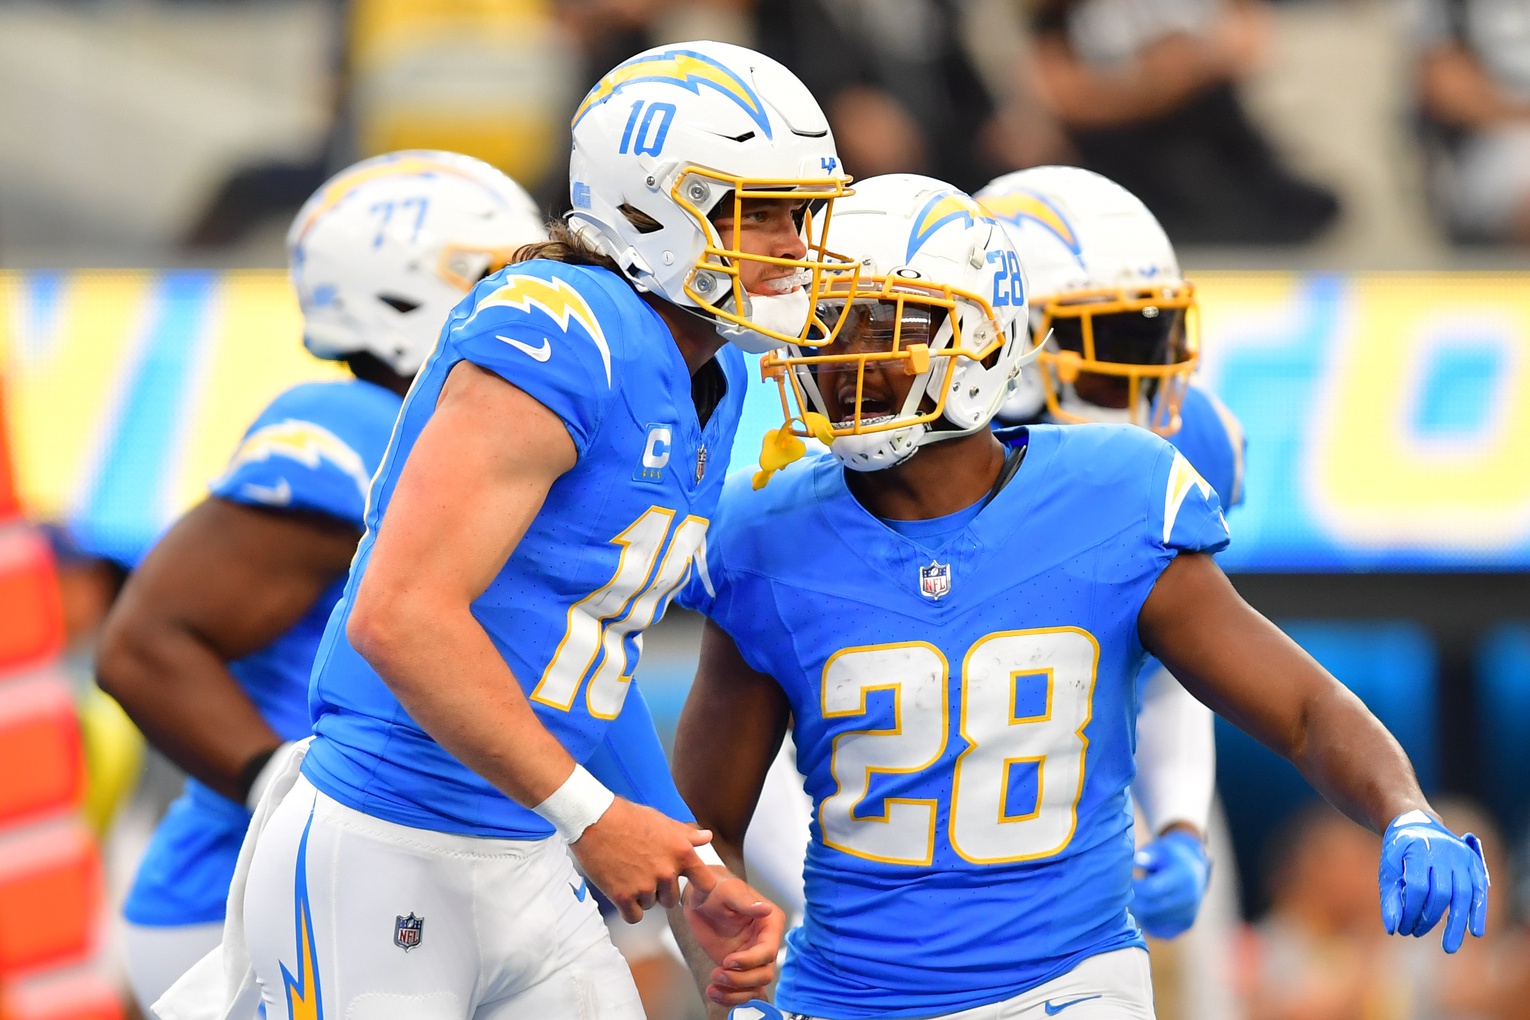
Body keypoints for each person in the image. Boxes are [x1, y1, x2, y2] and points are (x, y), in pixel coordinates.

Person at [672, 173, 1489, 1020]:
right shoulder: (763, 534)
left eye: (882, 325)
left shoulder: (1117, 492)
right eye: (826, 327)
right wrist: (728, 978)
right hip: (842, 995)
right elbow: (704, 825)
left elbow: (1303, 708)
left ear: (983, 336)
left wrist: (1406, 810)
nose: (844, 357)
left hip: (1065, 988)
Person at [227, 40, 852, 1019]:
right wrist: (594, 817)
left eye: (801, 212)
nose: (791, 242)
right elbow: (398, 615)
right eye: (756, 209)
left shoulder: (714, 377)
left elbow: (589, 657)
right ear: (648, 203)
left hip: (519, 850)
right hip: (388, 842)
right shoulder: (559, 325)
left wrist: (689, 870)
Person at [95, 149, 547, 1011]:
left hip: (397, 895)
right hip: (253, 897)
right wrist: (285, 788)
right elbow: (143, 644)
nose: (542, 309)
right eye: (502, 278)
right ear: (409, 292)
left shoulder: (494, 442)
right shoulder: (348, 426)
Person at [978, 164, 1245, 940]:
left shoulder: (1190, 445)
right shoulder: (922, 463)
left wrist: (1183, 824)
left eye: (1154, 333)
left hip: (1101, 766)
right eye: (1116, 338)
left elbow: (1167, 665)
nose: (1148, 370)